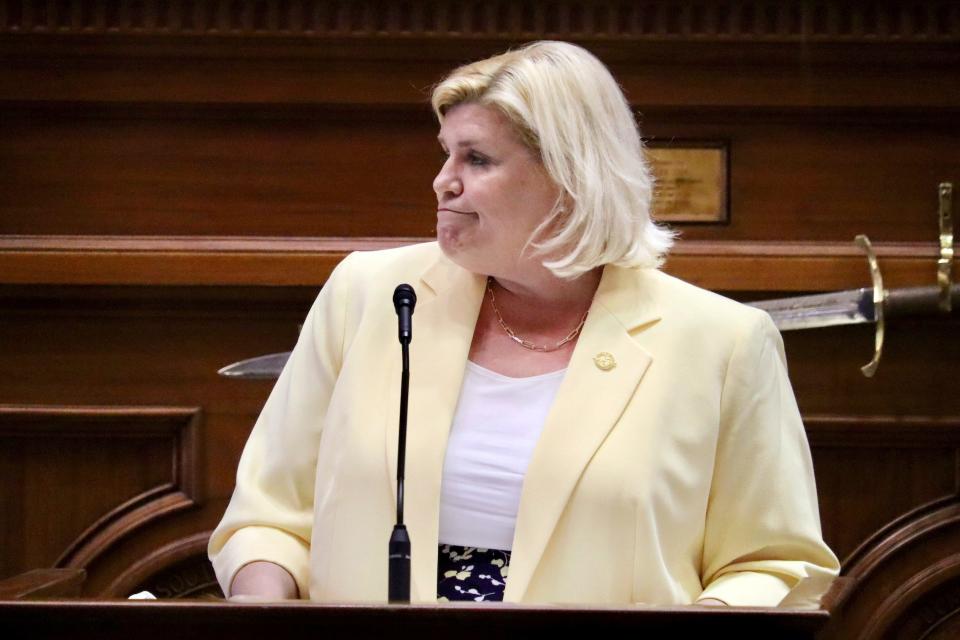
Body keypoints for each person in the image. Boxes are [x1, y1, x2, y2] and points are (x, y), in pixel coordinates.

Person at [209, 40, 839, 607]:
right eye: (446, 155)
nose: (442, 183)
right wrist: (263, 606)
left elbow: (775, 564)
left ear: (569, 178)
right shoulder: (371, 295)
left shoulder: (722, 343)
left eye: (476, 159)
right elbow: (270, 515)